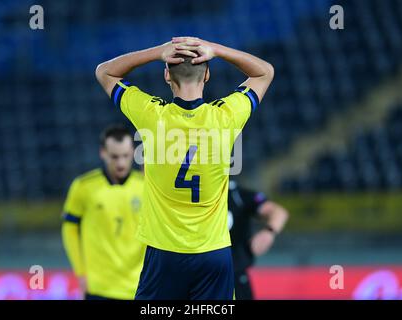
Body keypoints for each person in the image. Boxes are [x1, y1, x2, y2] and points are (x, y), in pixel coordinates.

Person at [95, 36, 274, 299]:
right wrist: (215, 50)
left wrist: (158, 52)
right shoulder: (225, 117)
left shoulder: (151, 115)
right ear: (207, 74)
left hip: (164, 253)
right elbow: (264, 72)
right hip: (214, 253)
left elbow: (105, 72)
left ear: (167, 74)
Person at [61, 125, 145, 300]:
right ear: (103, 153)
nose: (121, 163)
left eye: (125, 156)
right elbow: (69, 230)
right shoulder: (83, 187)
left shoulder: (146, 187)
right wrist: (81, 273)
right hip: (99, 288)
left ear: (133, 153)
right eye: (114, 157)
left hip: (138, 287)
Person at [228, 180, 289, 299]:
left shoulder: (236, 194)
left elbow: (278, 212)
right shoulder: (189, 196)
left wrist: (269, 231)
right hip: (199, 274)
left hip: (235, 275)